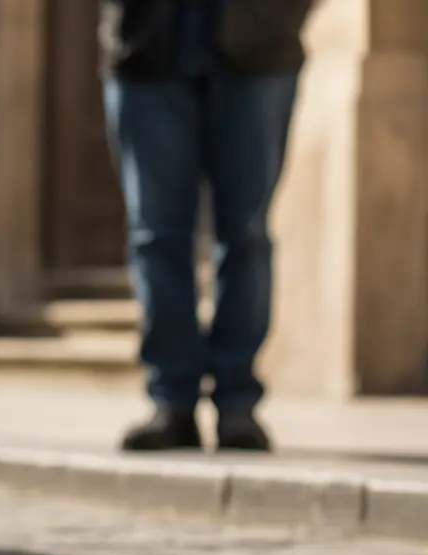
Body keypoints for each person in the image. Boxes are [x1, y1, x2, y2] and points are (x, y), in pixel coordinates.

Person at [99, 0, 314, 452]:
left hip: (257, 43)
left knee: (246, 234)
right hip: (148, 44)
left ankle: (238, 402)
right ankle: (171, 401)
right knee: (154, 236)